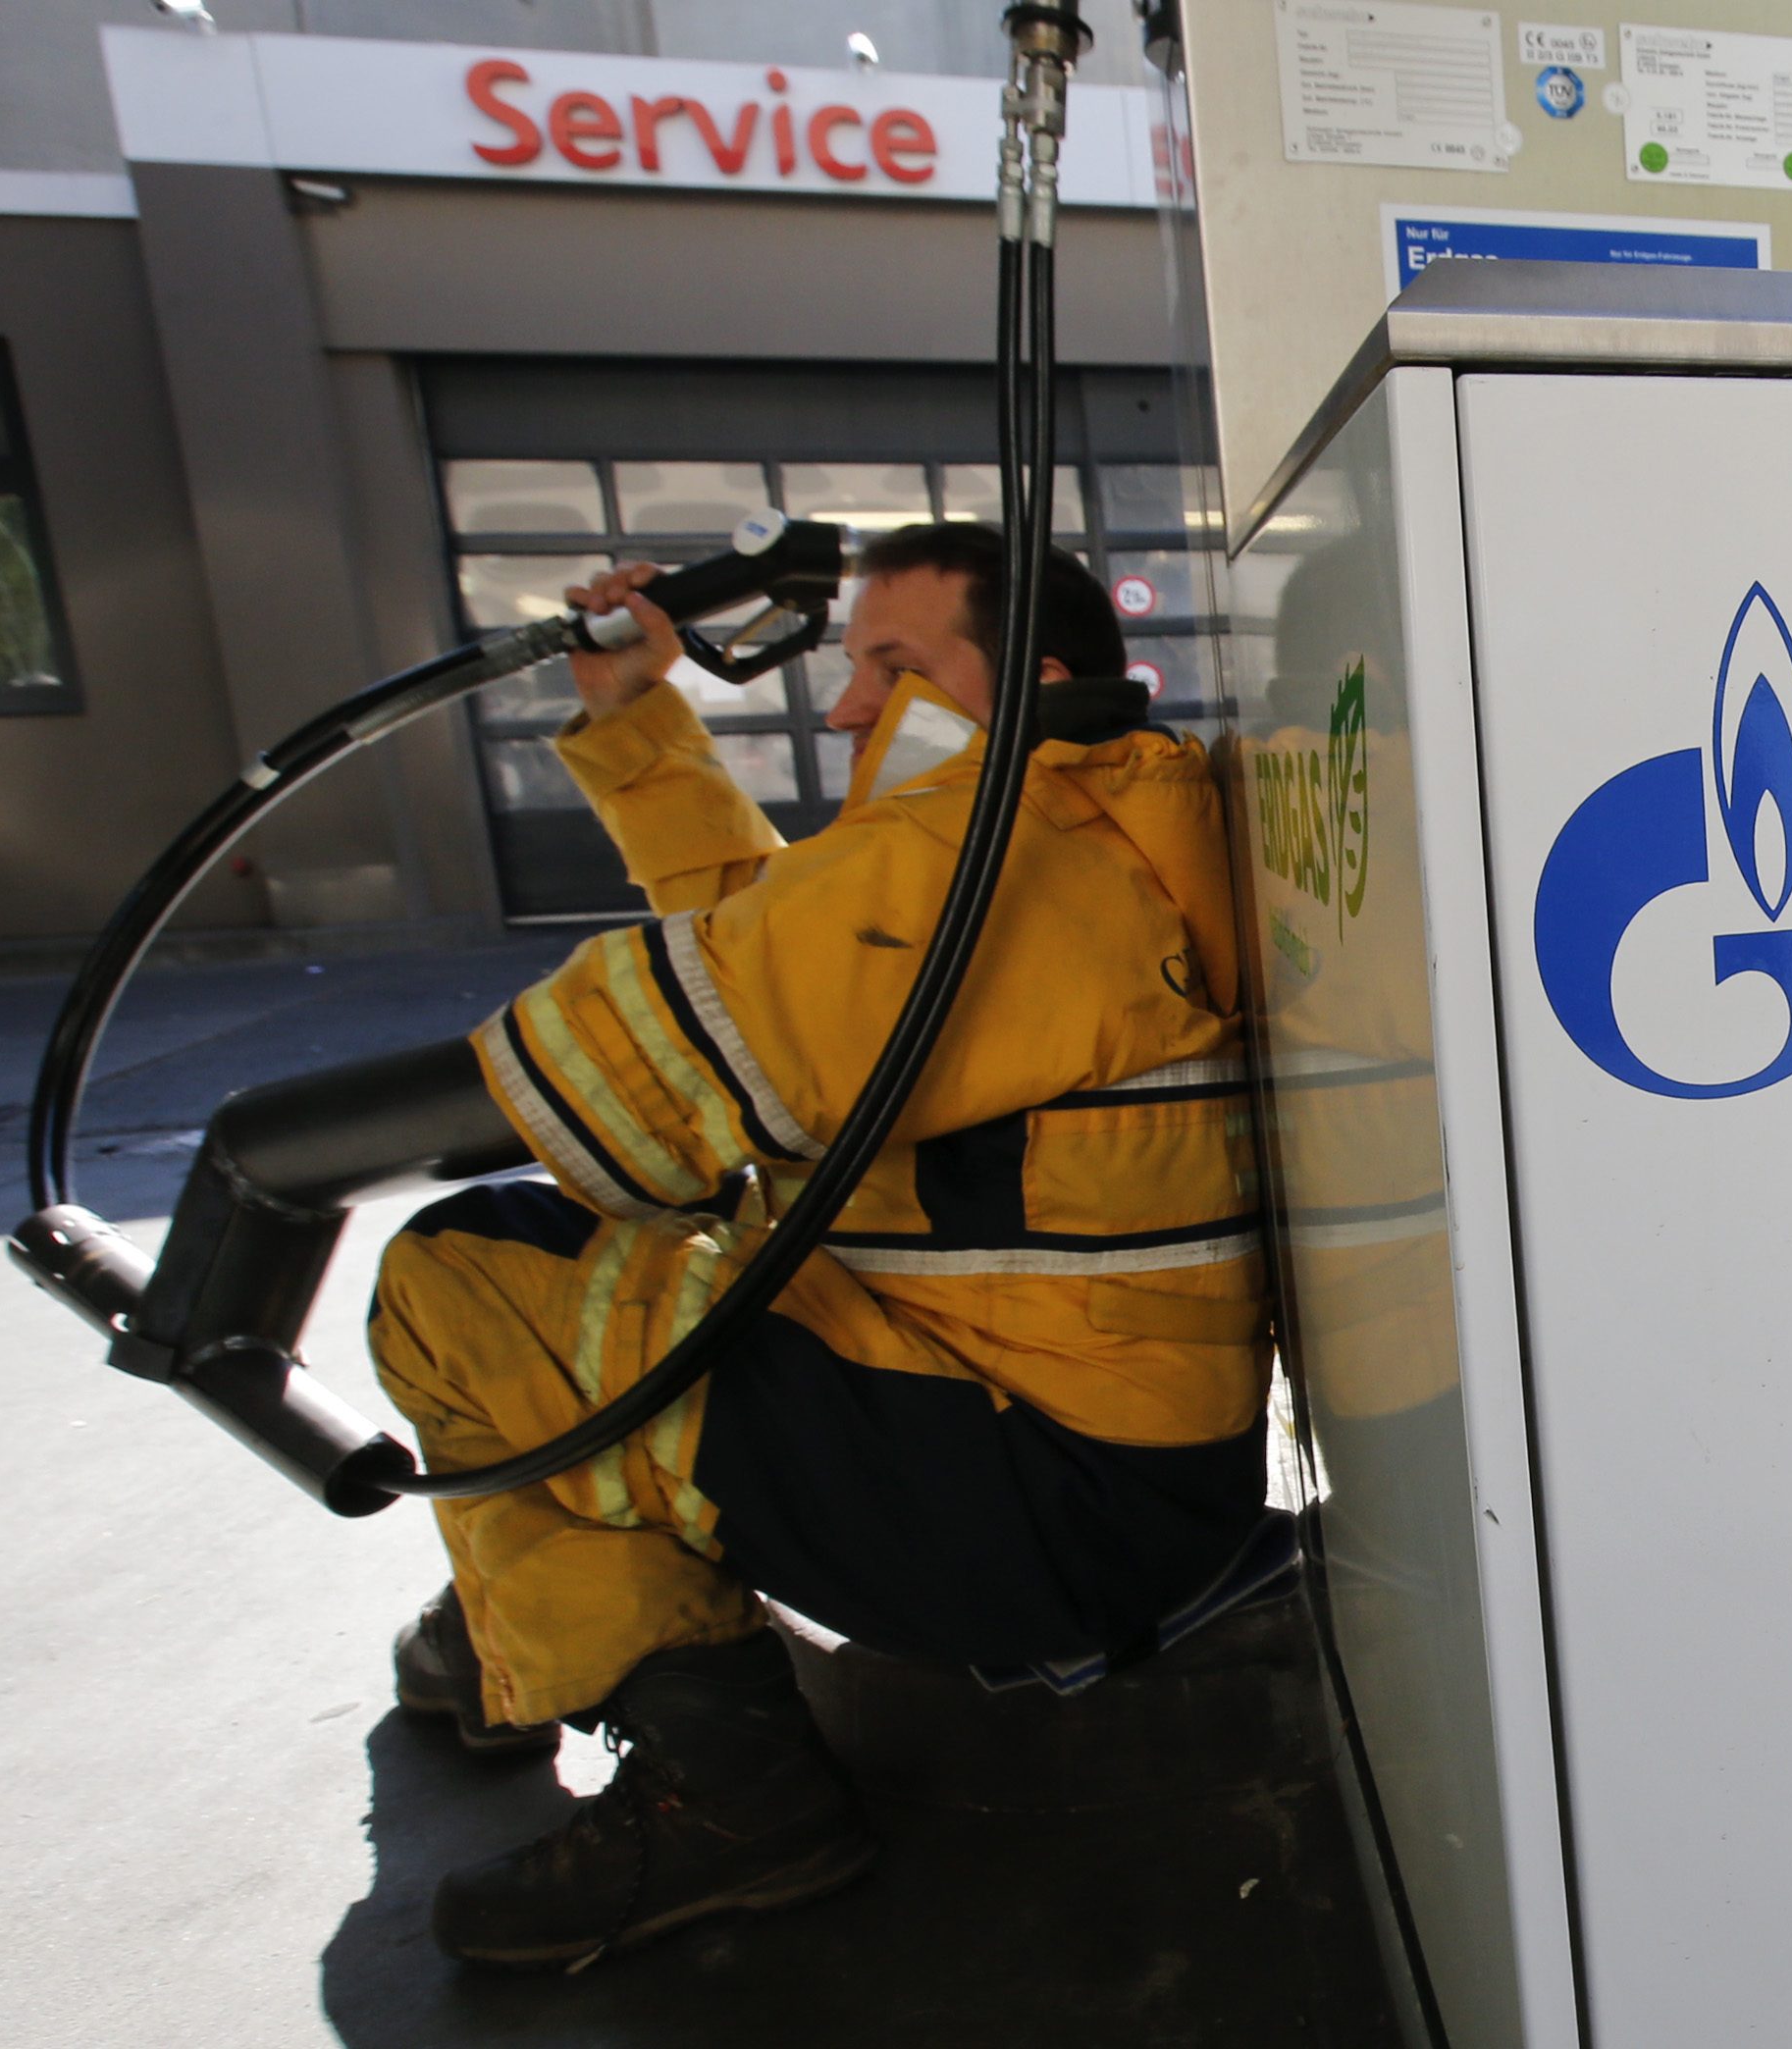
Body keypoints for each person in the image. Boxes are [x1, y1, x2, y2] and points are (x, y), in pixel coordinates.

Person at [368, 523, 1269, 1967]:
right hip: (1089, 1466)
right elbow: (774, 954)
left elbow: (673, 1044)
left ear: (1032, 686)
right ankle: (528, 1619)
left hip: (1042, 1508)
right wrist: (638, 718)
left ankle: (733, 1798)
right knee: (620, 1254)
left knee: (466, 1280)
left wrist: (260, 1170)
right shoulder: (1073, 827)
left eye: (890, 668)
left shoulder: (1015, 858)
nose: (846, 708)